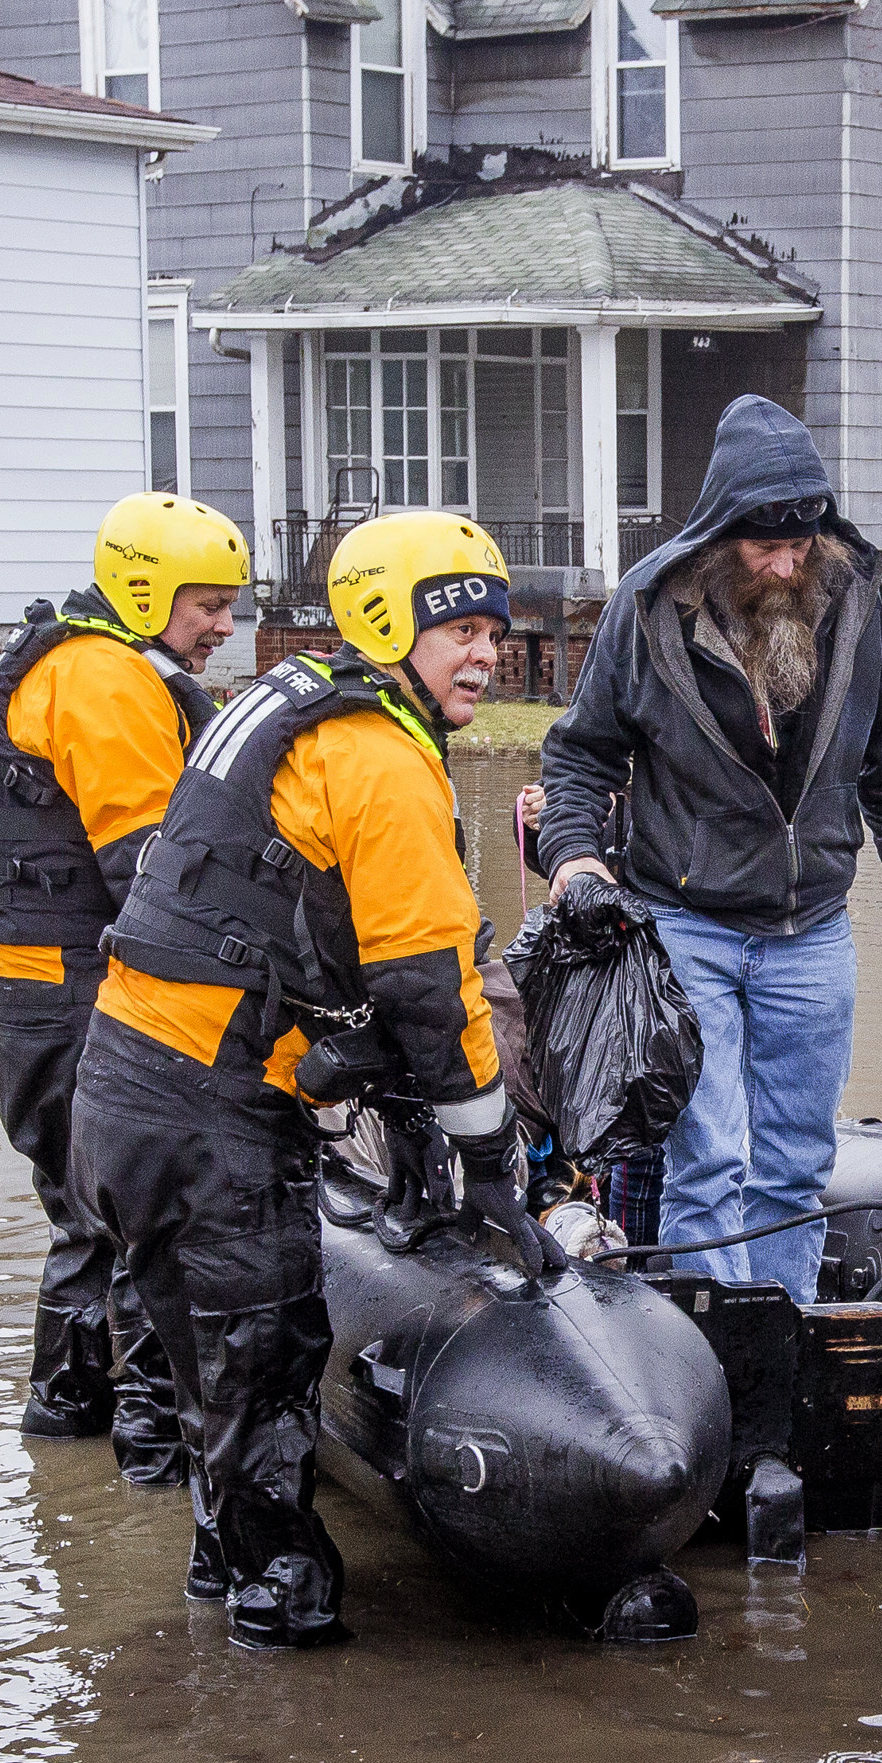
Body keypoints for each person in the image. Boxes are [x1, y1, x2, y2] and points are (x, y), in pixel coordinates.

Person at [71, 512, 533, 1651]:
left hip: (120, 1088)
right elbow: (429, 982)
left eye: (493, 632)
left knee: (209, 1391)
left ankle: (214, 1594)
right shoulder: (379, 755)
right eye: (460, 632)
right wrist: (488, 1154)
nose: (486, 654)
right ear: (391, 627)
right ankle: (279, 1650)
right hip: (207, 1115)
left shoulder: (286, 703)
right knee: (265, 1372)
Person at [536, 397, 882, 1297]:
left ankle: (784, 1339)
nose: (787, 564)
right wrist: (573, 855)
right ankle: (716, 1352)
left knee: (797, 1165)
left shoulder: (859, 606)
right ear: (722, 532)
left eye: (802, 544)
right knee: (710, 1162)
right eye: (767, 547)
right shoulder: (647, 610)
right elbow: (580, 753)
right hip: (688, 922)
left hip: (814, 929)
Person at [0, 489, 247, 1487]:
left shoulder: (89, 663)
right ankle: (147, 1463)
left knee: (87, 1223)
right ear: (144, 593)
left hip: (43, 994)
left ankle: (66, 1440)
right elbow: (154, 875)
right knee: (137, 1220)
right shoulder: (103, 678)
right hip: (80, 996)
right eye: (208, 604)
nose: (226, 625)